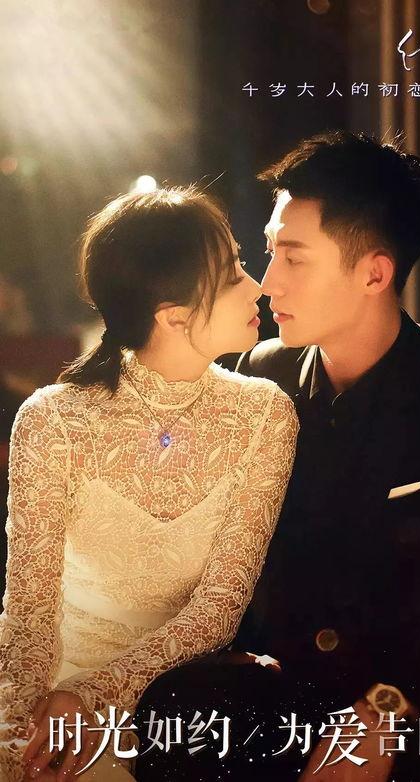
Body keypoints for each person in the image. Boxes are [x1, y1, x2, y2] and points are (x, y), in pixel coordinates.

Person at [136, 132, 420, 781]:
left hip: (415, 713)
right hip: (278, 701)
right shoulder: (257, 376)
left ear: (374, 274)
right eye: (270, 250)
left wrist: (386, 712)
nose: (267, 281)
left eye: (294, 258)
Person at [0, 186, 298, 782]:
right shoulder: (53, 418)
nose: (257, 287)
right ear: (173, 316)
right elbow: (29, 608)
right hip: (49, 692)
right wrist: (23, 734)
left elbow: (218, 611)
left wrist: (90, 697)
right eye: (233, 273)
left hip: (181, 704)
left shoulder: (265, 414)